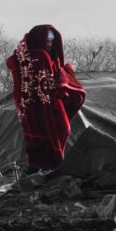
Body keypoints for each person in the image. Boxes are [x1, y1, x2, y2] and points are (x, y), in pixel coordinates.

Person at [6, 24, 86, 174]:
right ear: (39, 39)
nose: (50, 44)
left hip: (30, 105)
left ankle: (39, 169)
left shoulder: (25, 56)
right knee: (54, 132)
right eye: (48, 40)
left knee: (54, 132)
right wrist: (63, 80)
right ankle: (45, 168)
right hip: (39, 104)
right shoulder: (39, 56)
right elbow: (43, 83)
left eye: (52, 40)